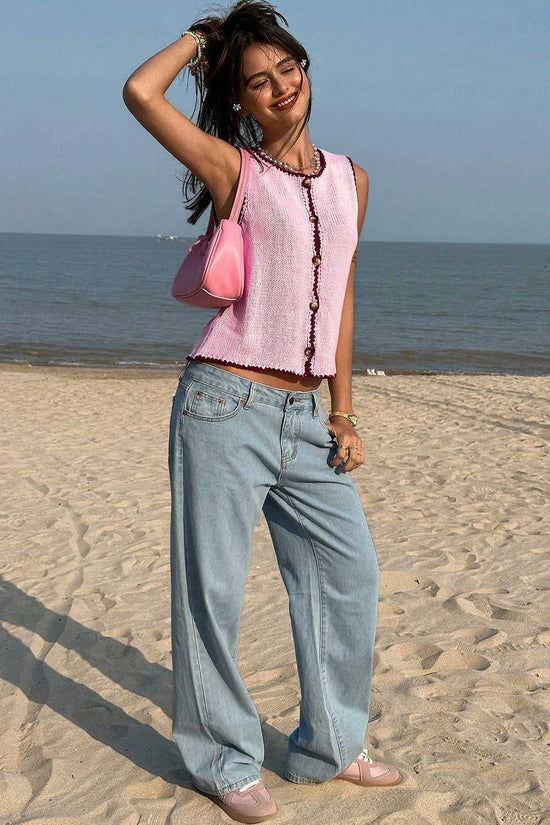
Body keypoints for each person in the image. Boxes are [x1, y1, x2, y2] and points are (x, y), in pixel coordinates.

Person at [123, 1, 402, 821]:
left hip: (306, 418)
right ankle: (221, 758)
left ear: (307, 72)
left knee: (348, 574)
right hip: (224, 403)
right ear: (239, 100)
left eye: (289, 69)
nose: (280, 87)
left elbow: (343, 299)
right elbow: (142, 94)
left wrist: (345, 415)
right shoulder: (234, 170)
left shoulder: (352, 178)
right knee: (213, 589)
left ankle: (329, 745)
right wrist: (203, 41)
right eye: (258, 81)